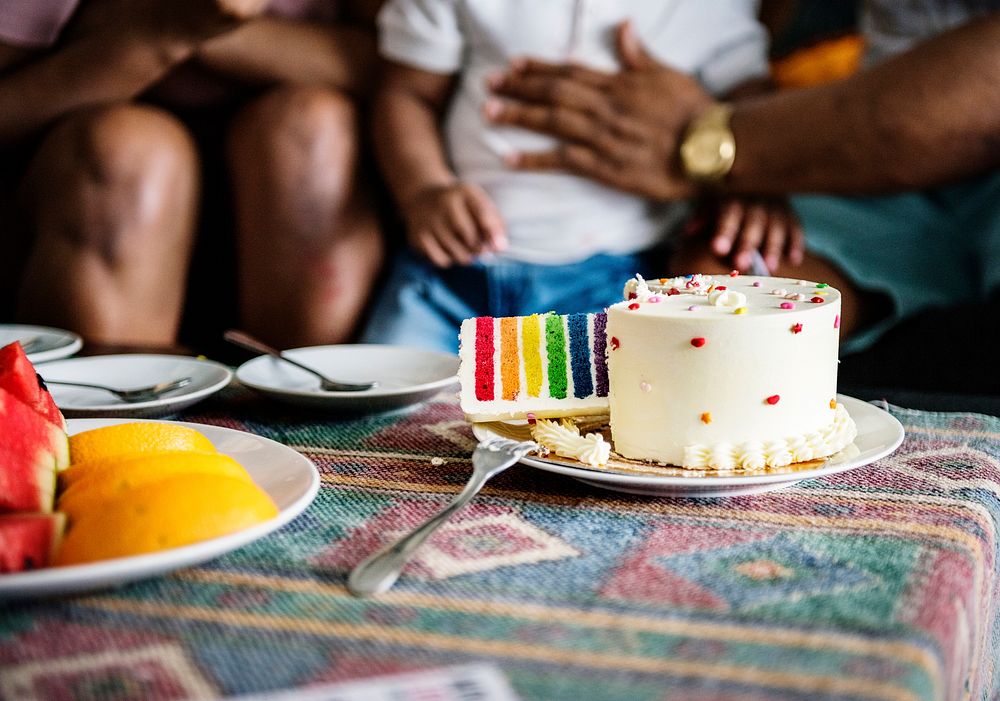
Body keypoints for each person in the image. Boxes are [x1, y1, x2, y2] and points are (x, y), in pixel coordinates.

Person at [483, 4, 1000, 356]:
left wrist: (716, 143)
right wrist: (751, 173)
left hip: (917, 139)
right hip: (861, 158)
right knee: (720, 294)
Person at [361, 0, 805, 353]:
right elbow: (407, 93)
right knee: (379, 418)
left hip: (617, 284)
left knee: (599, 438)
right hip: (447, 274)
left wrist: (752, 185)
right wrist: (425, 188)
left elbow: (747, 101)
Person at [0, 0, 384, 350]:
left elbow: (399, 71)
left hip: (278, 197)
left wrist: (186, 27)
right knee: (129, 148)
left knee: (311, 124)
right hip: (86, 193)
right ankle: (113, 411)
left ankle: (314, 402)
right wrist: (156, 37)